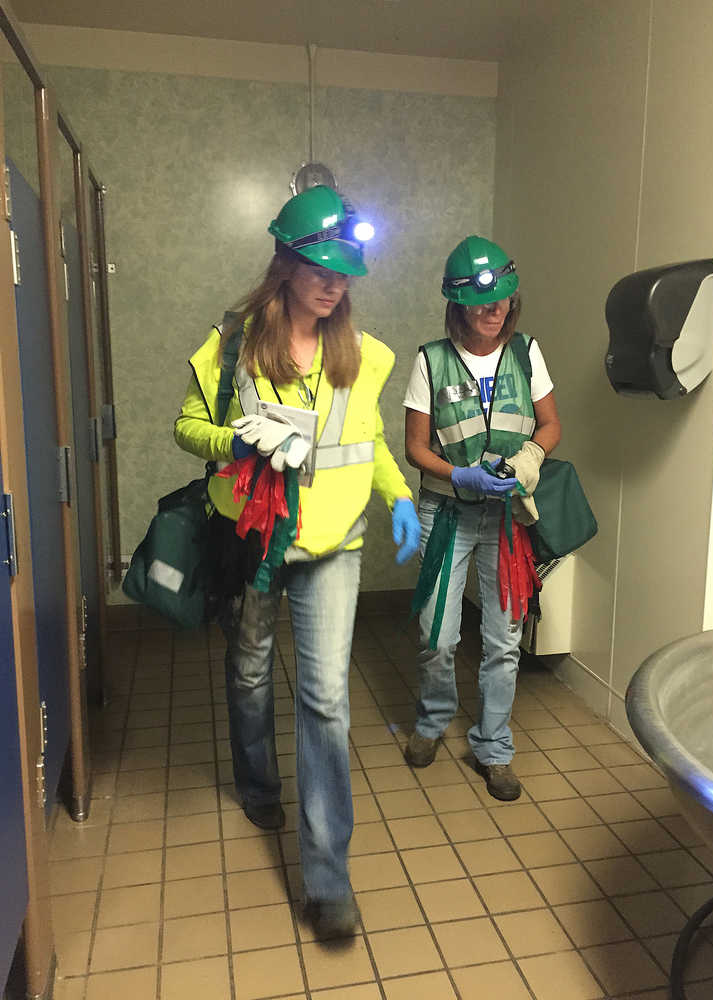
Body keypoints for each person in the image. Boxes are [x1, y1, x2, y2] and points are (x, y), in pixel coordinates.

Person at [174, 184, 420, 938]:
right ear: (285, 260)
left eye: (347, 269)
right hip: (253, 539)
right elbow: (187, 427)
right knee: (249, 673)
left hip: (333, 549)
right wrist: (235, 441)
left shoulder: (367, 355)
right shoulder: (231, 344)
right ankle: (256, 781)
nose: (335, 281)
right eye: (321, 264)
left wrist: (399, 494)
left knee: (325, 700)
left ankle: (327, 878)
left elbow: (371, 439)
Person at [402, 235, 561, 801]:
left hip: (506, 518)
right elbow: (414, 447)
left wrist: (529, 457)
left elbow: (550, 425)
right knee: (437, 635)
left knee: (503, 637)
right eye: (480, 301)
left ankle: (494, 747)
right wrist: (458, 474)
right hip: (446, 510)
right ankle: (432, 720)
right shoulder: (431, 359)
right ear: (458, 303)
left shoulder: (527, 353)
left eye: (502, 301)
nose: (493, 310)